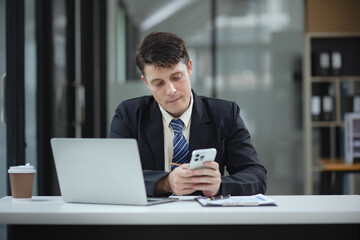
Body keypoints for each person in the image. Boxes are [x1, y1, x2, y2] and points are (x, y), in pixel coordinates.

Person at [109, 32, 267, 197]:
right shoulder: (129, 115)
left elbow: (256, 176)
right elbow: (114, 175)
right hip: (149, 219)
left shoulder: (224, 114)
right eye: (158, 83)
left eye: (177, 77)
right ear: (146, 82)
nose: (171, 90)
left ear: (190, 67)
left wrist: (220, 185)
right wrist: (166, 183)